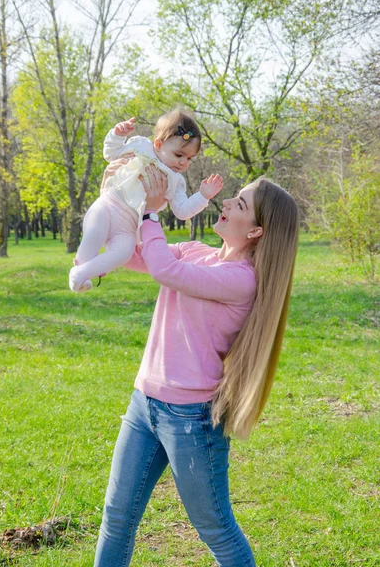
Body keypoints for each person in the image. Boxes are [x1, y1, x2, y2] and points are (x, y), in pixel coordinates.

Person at [94, 162, 300, 566]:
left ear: (256, 231)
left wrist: (153, 212)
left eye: (239, 203)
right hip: (144, 404)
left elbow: (164, 270)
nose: (225, 201)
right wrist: (120, 198)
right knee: (117, 519)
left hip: (190, 419)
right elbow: (133, 254)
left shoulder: (240, 279)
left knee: (216, 531)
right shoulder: (196, 253)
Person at [69, 109, 223, 292]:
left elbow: (182, 211)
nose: (184, 163)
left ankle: (82, 273)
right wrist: (117, 134)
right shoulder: (141, 146)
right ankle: (81, 270)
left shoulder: (176, 181)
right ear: (158, 144)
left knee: (124, 253)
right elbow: (111, 154)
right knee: (92, 240)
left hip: (128, 228)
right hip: (109, 206)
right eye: (179, 155)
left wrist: (202, 196)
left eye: (189, 158)